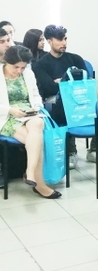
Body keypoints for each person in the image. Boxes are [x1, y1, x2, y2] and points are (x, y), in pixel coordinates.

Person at [31, 25, 98, 168]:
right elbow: (49, 87)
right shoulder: (40, 64)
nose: (64, 43)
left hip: (78, 95)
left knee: (96, 105)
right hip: (53, 99)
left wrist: (60, 80)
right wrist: (67, 81)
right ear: (49, 41)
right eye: (59, 39)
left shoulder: (75, 59)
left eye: (65, 39)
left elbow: (86, 82)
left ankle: (94, 149)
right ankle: (70, 152)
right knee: (62, 105)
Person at [0, 46, 58, 198]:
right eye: (16, 67)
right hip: (5, 116)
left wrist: (36, 107)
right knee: (36, 140)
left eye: (22, 67)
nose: (19, 71)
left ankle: (31, 172)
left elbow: (35, 95)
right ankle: (39, 183)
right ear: (7, 62)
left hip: (27, 113)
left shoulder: (28, 73)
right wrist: (10, 110)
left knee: (37, 124)